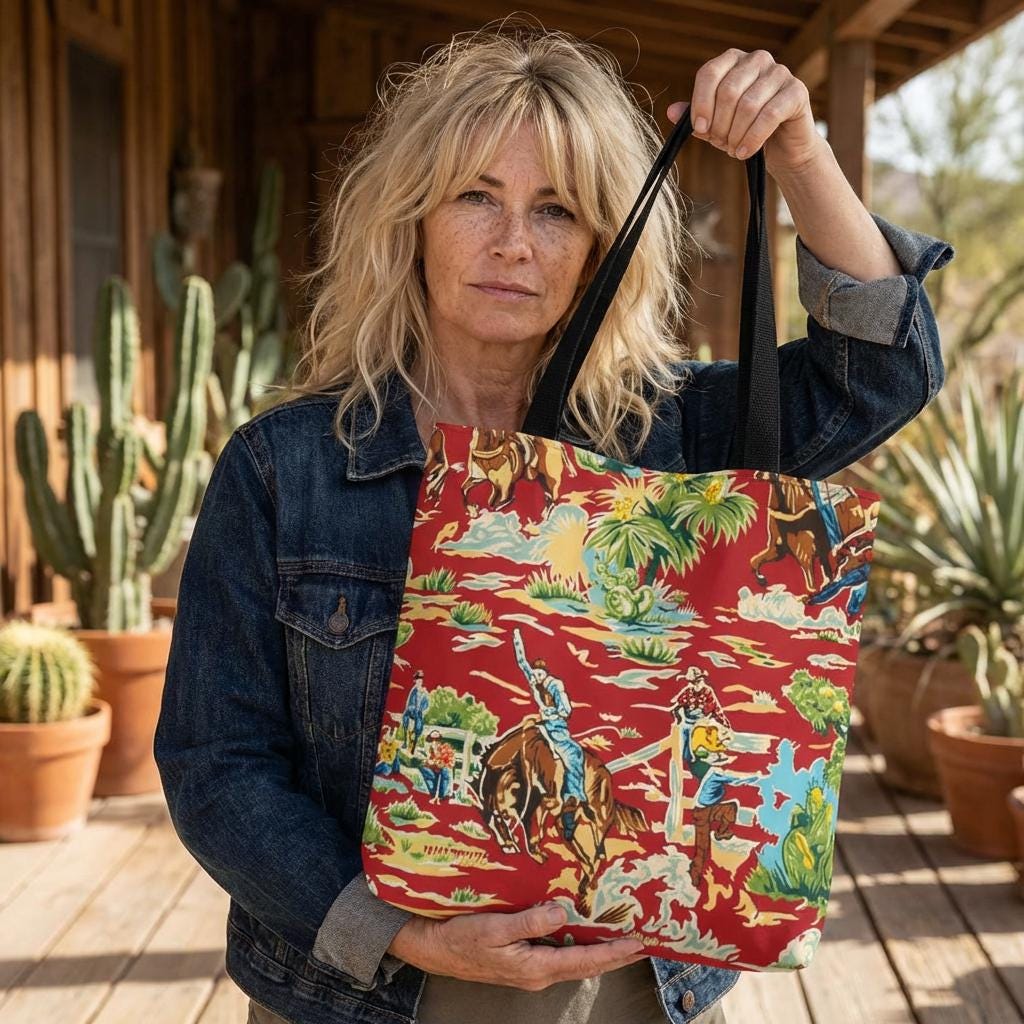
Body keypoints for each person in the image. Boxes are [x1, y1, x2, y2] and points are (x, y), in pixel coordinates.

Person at [153, 22, 954, 1024]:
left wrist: (796, 149)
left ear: (598, 247)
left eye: (558, 210)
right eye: (476, 196)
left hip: (619, 990)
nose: (514, 243)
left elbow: (883, 369)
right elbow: (213, 763)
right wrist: (396, 930)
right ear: (412, 216)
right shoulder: (287, 467)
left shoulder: (675, 436)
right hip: (354, 995)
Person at [512, 627, 590, 842]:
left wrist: (550, 711)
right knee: (572, 755)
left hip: (556, 725)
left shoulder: (555, 685)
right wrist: (517, 640)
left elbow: (566, 710)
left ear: (545, 674)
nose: (535, 677)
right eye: (534, 674)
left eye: (539, 674)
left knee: (573, 756)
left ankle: (570, 800)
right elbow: (522, 663)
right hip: (544, 725)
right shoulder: (535, 682)